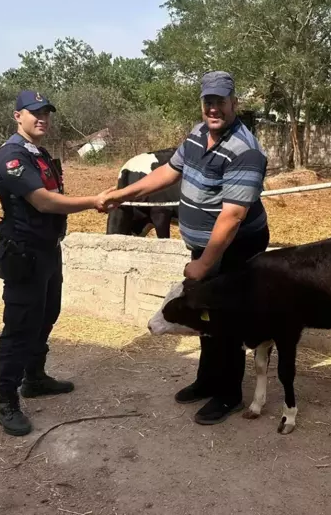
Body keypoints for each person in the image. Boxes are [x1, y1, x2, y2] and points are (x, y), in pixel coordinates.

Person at [103, 71, 270, 425]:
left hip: (235, 246)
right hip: (206, 246)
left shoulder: (245, 151)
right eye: (208, 101)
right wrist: (122, 194)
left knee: (226, 318)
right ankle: (207, 380)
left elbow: (233, 215)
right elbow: (168, 171)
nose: (213, 108)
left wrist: (205, 262)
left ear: (234, 104)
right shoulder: (197, 134)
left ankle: (228, 395)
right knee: (203, 314)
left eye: (220, 102)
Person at [0, 90, 111, 436]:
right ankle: (6, 400)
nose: (42, 118)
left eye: (46, 112)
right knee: (20, 325)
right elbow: (43, 202)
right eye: (34, 112)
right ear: (18, 116)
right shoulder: (12, 157)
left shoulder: (38, 153)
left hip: (47, 250)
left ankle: (35, 377)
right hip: (23, 253)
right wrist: (94, 201)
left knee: (48, 313)